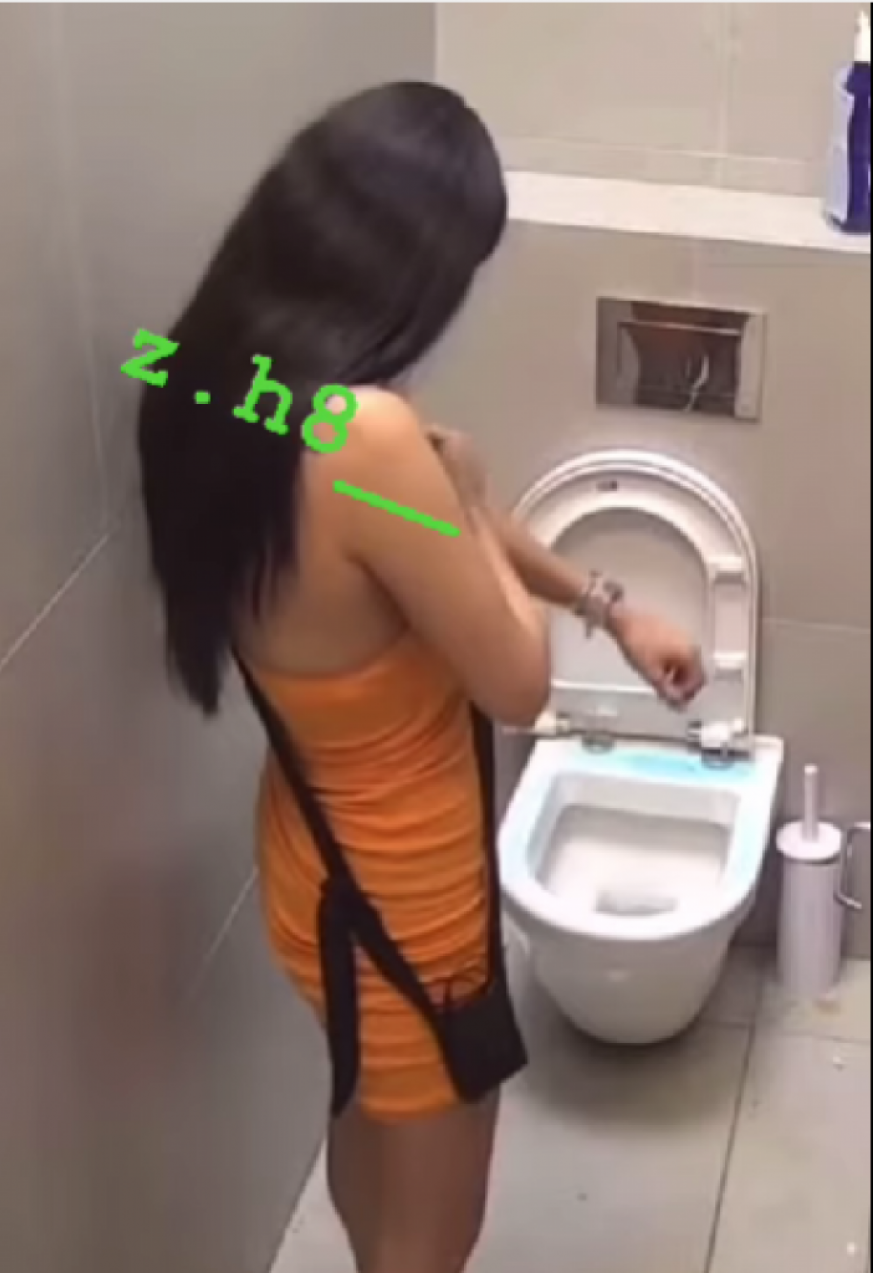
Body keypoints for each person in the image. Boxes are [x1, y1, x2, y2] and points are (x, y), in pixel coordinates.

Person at [138, 81, 705, 1273]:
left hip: (312, 858)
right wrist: (478, 489)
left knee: (365, 1115)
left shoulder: (215, 377)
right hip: (408, 904)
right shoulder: (368, 437)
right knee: (437, 1233)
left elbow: (421, 531)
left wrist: (607, 603)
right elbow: (516, 683)